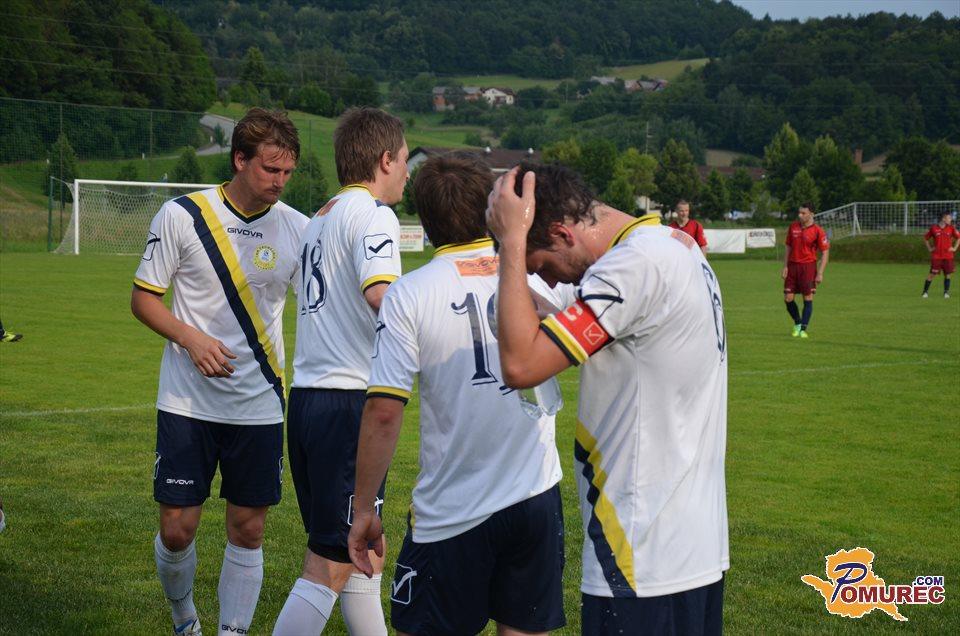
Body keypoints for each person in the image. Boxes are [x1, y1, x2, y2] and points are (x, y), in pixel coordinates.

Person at [486, 163, 728, 636]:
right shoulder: (673, 247)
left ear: (561, 233)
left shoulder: (633, 266)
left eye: (542, 265)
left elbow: (520, 366)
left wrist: (512, 242)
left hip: (640, 548)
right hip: (693, 547)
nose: (547, 280)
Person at [347, 154, 566, 636]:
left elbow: (383, 413)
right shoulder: (533, 275)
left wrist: (363, 510)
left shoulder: (409, 294)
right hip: (536, 495)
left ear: (425, 224)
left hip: (454, 508)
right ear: (488, 209)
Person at [131, 108, 306, 636]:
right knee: (177, 529)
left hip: (259, 404)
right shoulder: (182, 215)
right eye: (270, 169)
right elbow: (144, 299)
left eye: (287, 172)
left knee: (248, 529)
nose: (279, 181)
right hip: (187, 401)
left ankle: (233, 631)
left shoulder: (298, 228)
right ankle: (184, 617)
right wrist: (191, 338)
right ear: (239, 159)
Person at [273, 107, 407, 636]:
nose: (407, 172)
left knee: (361, 555)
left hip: (309, 400)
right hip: (347, 405)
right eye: (404, 160)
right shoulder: (374, 214)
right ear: (385, 159)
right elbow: (381, 295)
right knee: (327, 565)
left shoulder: (320, 218)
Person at [782, 203, 829, 338]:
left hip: (808, 267)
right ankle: (797, 322)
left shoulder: (818, 231)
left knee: (807, 297)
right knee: (788, 298)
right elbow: (788, 247)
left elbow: (825, 252)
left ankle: (803, 329)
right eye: (799, 212)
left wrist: (820, 273)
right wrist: (785, 266)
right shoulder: (793, 227)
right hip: (792, 266)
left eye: (803, 213)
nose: (800, 215)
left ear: (811, 214)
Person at [922, 211, 960, 299]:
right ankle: (925, 292)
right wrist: (929, 248)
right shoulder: (933, 228)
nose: (950, 219)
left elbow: (958, 238)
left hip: (948, 256)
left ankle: (946, 292)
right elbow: (925, 238)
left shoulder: (951, 228)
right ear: (943, 219)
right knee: (932, 274)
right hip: (937, 257)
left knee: (947, 274)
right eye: (949, 218)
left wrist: (954, 248)